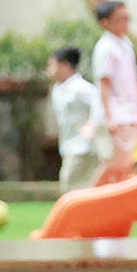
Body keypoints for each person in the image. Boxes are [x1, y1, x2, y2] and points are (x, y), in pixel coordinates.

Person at [90, 0, 137, 185]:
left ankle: (114, 208)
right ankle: (91, 199)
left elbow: (134, 81)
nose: (126, 22)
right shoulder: (105, 48)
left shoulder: (126, 44)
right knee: (112, 163)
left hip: (129, 114)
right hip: (115, 114)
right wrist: (109, 116)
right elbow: (104, 83)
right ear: (105, 23)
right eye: (120, 19)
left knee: (125, 164)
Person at [46, 46, 108, 193]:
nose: (48, 69)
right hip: (68, 145)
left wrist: (92, 125)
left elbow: (100, 103)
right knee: (74, 187)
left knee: (71, 184)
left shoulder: (81, 88)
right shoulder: (57, 88)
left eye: (52, 65)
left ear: (65, 65)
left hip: (84, 146)